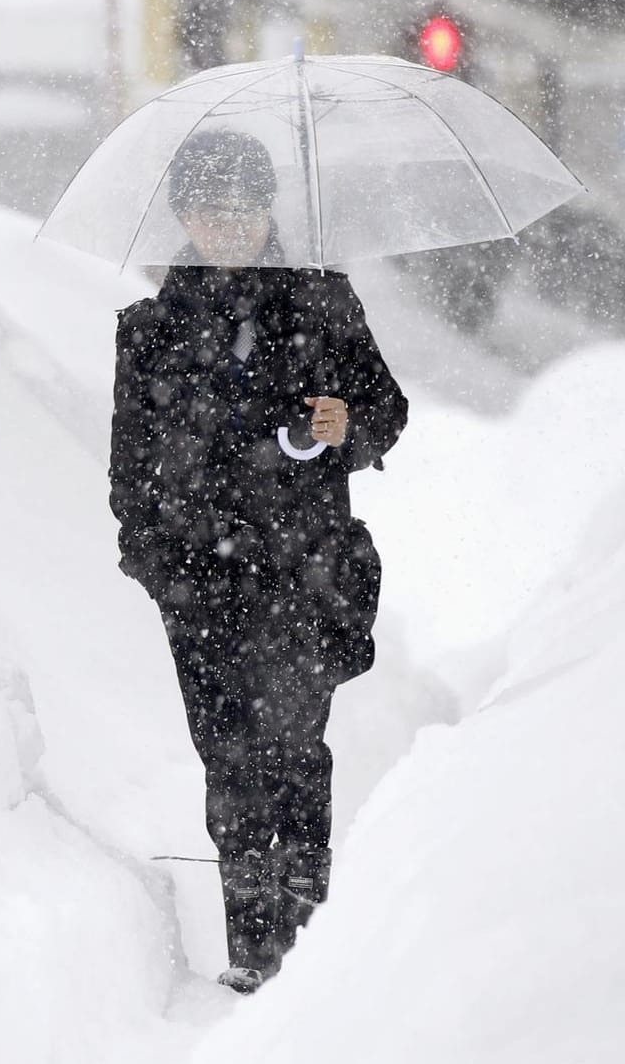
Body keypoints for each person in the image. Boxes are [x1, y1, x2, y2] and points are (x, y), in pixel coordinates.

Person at [108, 129, 409, 995]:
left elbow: (386, 409)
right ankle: (253, 943)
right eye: (206, 208)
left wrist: (346, 424)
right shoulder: (152, 330)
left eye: (241, 205)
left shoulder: (324, 302)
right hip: (199, 580)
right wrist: (156, 557)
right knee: (228, 753)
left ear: (270, 206)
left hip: (304, 567)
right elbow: (131, 466)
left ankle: (307, 918)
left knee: (291, 742)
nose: (225, 224)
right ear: (182, 215)